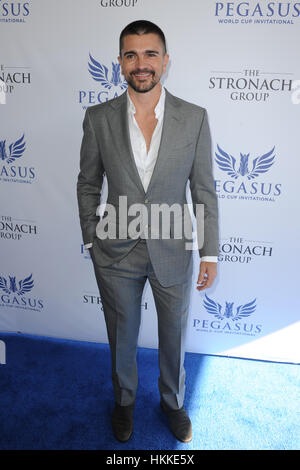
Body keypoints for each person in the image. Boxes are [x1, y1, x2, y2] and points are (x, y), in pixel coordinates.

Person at [77, 20, 219, 443]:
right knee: (122, 335)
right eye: (131, 55)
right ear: (120, 63)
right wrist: (91, 237)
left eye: (150, 54)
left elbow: (204, 190)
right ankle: (124, 402)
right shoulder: (98, 118)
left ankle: (172, 403)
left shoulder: (193, 118)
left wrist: (208, 252)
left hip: (173, 248)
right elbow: (88, 183)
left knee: (173, 335)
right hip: (115, 252)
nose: (142, 64)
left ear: (165, 60)